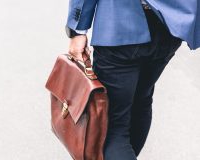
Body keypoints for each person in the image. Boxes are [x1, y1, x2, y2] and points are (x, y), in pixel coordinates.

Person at [65, 0, 182, 159]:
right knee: (140, 101)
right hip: (168, 26)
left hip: (120, 25)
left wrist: (77, 30)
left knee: (112, 125)